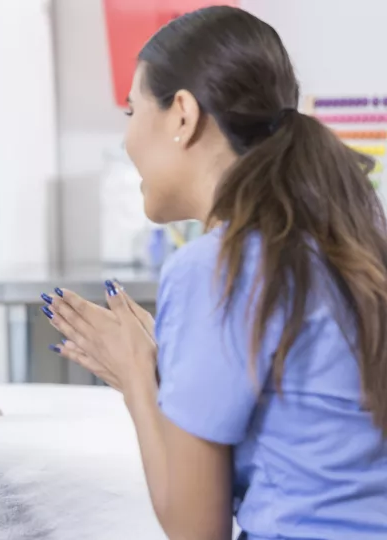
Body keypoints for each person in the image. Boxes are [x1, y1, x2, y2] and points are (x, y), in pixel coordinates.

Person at [43, 6, 387, 540]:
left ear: (182, 114)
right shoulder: (336, 240)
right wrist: (166, 370)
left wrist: (136, 370)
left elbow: (195, 530)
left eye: (132, 112)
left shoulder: (216, 267)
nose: (126, 140)